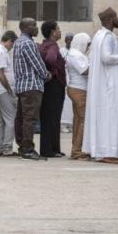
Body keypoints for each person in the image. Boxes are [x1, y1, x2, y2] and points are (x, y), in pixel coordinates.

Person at [83, 7, 118, 164]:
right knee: (111, 115)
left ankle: (102, 151)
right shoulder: (108, 37)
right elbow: (106, 58)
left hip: (106, 83)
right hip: (110, 85)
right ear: (111, 19)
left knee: (106, 116)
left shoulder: (100, 36)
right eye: (117, 17)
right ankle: (108, 152)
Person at [13, 18, 49, 161]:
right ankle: (28, 150)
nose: (36, 28)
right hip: (31, 86)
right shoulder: (27, 43)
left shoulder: (18, 42)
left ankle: (22, 147)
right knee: (30, 119)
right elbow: (37, 63)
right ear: (25, 28)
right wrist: (46, 74)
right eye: (33, 25)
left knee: (22, 118)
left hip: (22, 86)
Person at [39, 21, 66, 158]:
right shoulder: (53, 46)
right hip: (54, 85)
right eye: (58, 29)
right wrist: (54, 71)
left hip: (47, 85)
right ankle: (50, 150)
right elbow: (50, 59)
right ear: (53, 32)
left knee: (48, 117)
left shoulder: (43, 45)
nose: (60, 31)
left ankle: (52, 148)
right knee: (53, 117)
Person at [65, 32, 91, 161]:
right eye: (87, 44)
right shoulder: (75, 54)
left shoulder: (76, 53)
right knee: (83, 120)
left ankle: (76, 148)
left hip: (76, 89)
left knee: (78, 120)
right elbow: (85, 71)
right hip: (79, 89)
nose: (88, 46)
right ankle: (76, 150)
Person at [0, 31, 18, 157]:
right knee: (10, 119)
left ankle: (0, 148)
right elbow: (0, 72)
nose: (11, 47)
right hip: (3, 90)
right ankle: (7, 148)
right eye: (12, 44)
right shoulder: (2, 51)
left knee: (0, 120)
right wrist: (8, 88)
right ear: (8, 41)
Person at [60, 32, 74, 133]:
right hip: (64, 80)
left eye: (71, 39)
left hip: (73, 81)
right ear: (65, 40)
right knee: (65, 103)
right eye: (68, 39)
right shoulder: (61, 51)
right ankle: (63, 124)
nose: (69, 41)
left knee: (72, 103)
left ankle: (71, 124)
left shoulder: (75, 52)